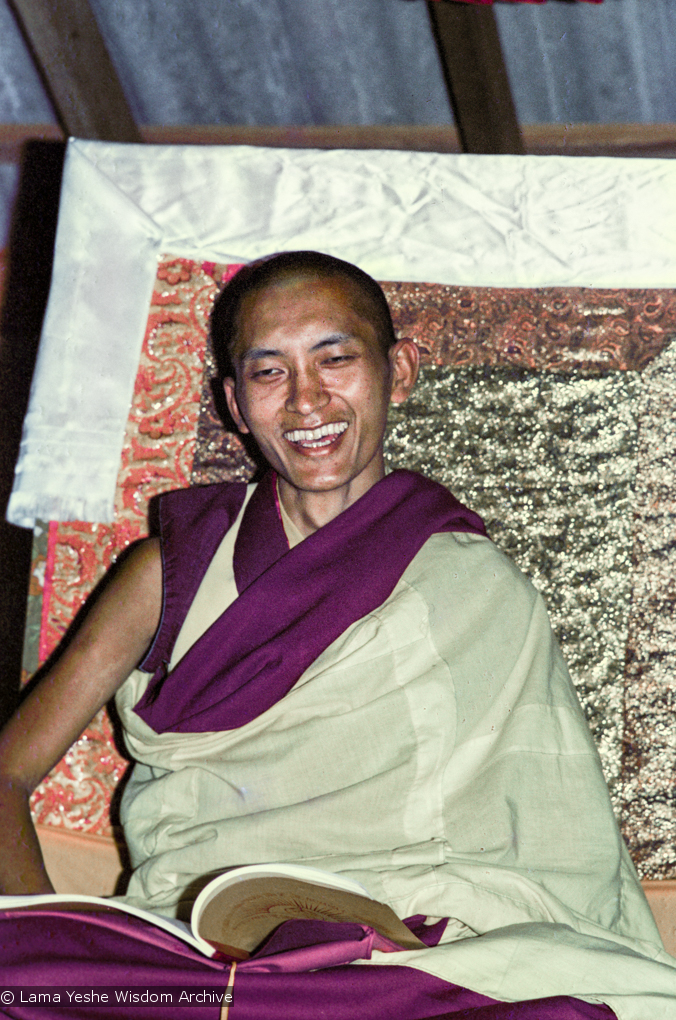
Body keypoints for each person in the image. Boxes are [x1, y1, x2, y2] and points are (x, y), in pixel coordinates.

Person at [0, 251, 675, 1019]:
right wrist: (50, 942)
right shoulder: (169, 573)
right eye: (268, 372)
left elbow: (551, 836)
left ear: (401, 370)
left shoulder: (474, 586)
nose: (306, 400)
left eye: (336, 358)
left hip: (406, 955)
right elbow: (6, 774)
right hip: (188, 949)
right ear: (232, 400)